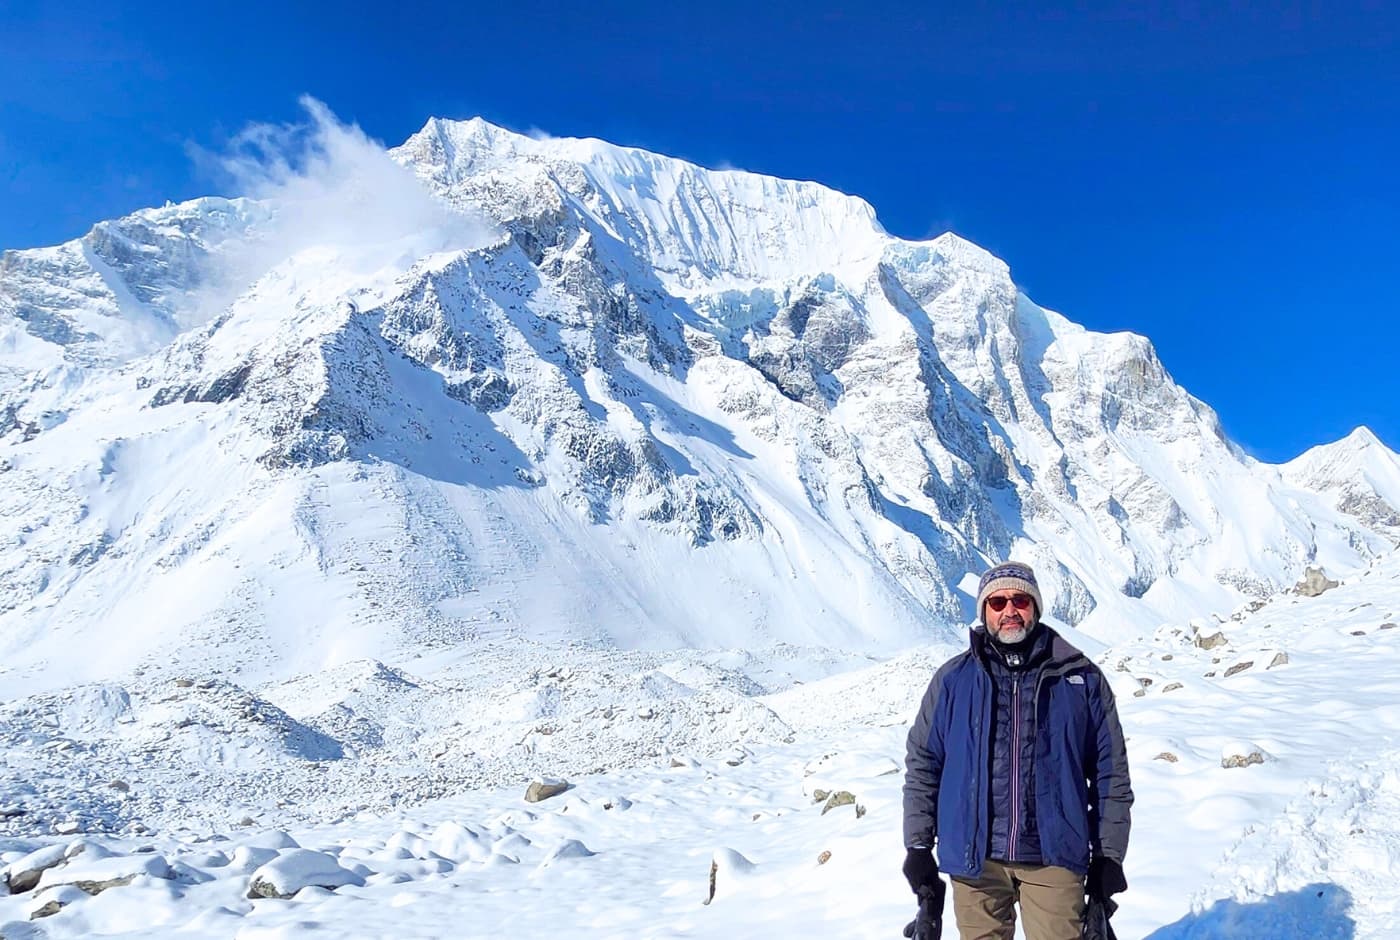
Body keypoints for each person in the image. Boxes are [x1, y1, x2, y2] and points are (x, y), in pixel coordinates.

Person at [902, 561, 1133, 940]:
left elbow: (1111, 775)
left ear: (1035, 607)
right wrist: (918, 845)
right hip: (975, 862)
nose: (1009, 610)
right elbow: (924, 765)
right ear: (984, 612)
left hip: (1054, 857)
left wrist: (1109, 855)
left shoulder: (1080, 678)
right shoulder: (953, 681)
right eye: (998, 602)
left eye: (1020, 600)